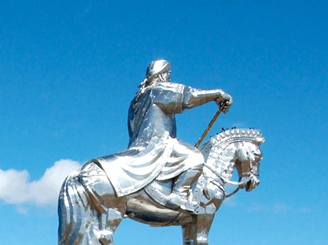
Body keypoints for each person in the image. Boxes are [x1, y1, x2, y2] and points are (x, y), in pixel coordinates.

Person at [91, 59, 233, 211]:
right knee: (195, 157)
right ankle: (178, 195)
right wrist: (216, 93)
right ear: (161, 75)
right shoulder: (158, 90)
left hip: (136, 145)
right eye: (168, 74)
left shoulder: (136, 99)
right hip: (158, 143)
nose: (169, 77)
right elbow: (188, 97)